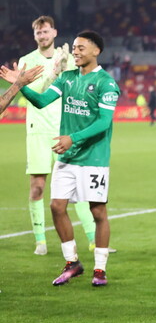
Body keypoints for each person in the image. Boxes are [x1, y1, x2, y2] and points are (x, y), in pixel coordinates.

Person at [11, 30, 120, 287]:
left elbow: (104, 122)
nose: (75, 52)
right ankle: (73, 263)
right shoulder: (67, 78)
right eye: (74, 48)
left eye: (81, 48)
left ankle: (100, 269)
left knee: (98, 211)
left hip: (93, 158)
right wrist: (20, 84)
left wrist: (73, 138)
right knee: (57, 207)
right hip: (68, 158)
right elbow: (41, 101)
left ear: (96, 51)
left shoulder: (106, 83)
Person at [16, 16, 100, 256]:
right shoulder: (26, 61)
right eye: (38, 33)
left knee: (76, 187)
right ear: (35, 36)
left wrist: (66, 71)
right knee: (37, 187)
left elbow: (79, 89)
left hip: (64, 131)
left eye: (46, 31)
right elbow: (34, 95)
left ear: (54, 32)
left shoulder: (70, 60)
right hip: (37, 130)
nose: (42, 36)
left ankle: (93, 239)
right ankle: (40, 241)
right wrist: (53, 74)